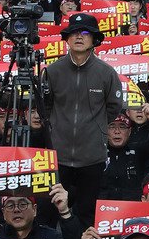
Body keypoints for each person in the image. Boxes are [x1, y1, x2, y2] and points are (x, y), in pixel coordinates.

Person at [41, 13, 125, 227]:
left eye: (85, 33)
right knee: (50, 212)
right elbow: (45, 106)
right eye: (74, 33)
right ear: (67, 39)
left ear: (94, 39)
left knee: (88, 214)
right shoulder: (52, 71)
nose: (79, 37)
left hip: (92, 157)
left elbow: (113, 107)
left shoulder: (106, 72)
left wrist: (96, 128)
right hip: (57, 157)